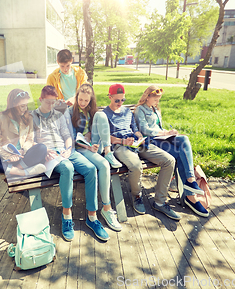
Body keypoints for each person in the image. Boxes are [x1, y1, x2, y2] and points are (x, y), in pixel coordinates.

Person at [32, 85, 109, 241]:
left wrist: (68, 148)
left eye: (54, 102)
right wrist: (44, 150)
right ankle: (67, 216)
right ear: (40, 100)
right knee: (67, 168)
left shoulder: (58, 115)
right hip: (48, 154)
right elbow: (28, 142)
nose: (51, 106)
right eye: (48, 102)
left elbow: (67, 134)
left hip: (66, 151)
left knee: (90, 169)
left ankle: (92, 217)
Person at [102, 83, 181, 220]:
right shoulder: (104, 114)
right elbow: (103, 136)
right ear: (110, 97)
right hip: (119, 146)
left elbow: (135, 128)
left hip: (137, 143)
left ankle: (160, 202)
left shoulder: (127, 112)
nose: (120, 103)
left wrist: (139, 136)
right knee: (136, 165)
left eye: (123, 100)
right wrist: (122, 141)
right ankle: (137, 196)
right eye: (117, 100)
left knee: (169, 161)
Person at [134, 86, 209, 217]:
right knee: (181, 152)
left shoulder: (155, 109)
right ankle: (191, 194)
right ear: (147, 97)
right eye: (155, 99)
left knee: (183, 142)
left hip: (162, 139)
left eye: (159, 99)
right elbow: (145, 130)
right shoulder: (140, 109)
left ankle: (190, 185)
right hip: (151, 141)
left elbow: (159, 126)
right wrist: (165, 133)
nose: (158, 102)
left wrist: (170, 133)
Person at [65, 84, 123, 232]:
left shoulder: (92, 112)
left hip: (94, 144)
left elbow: (94, 130)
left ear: (91, 100)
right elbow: (71, 138)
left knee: (101, 115)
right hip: (80, 148)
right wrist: (87, 145)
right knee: (103, 165)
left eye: (86, 100)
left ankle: (108, 152)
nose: (83, 103)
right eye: (80, 100)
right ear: (76, 97)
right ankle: (103, 209)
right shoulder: (71, 112)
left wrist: (91, 138)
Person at [0, 89, 47, 182]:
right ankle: (22, 172)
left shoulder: (29, 117)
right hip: (6, 158)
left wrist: (23, 151)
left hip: (23, 157)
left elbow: (30, 139)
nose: (25, 108)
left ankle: (6, 173)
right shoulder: (0, 118)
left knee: (42, 148)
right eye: (22, 106)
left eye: (26, 105)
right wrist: (8, 156)